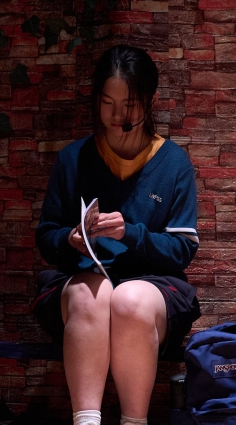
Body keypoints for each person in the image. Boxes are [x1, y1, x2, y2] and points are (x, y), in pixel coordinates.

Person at [32, 44, 201, 425]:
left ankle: (134, 421)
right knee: (90, 295)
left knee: (128, 299)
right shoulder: (73, 158)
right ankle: (86, 421)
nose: (116, 116)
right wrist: (69, 239)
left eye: (129, 105)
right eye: (107, 103)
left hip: (153, 291)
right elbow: (46, 237)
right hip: (82, 288)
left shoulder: (174, 162)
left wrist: (132, 234)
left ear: (150, 101)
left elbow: (182, 249)